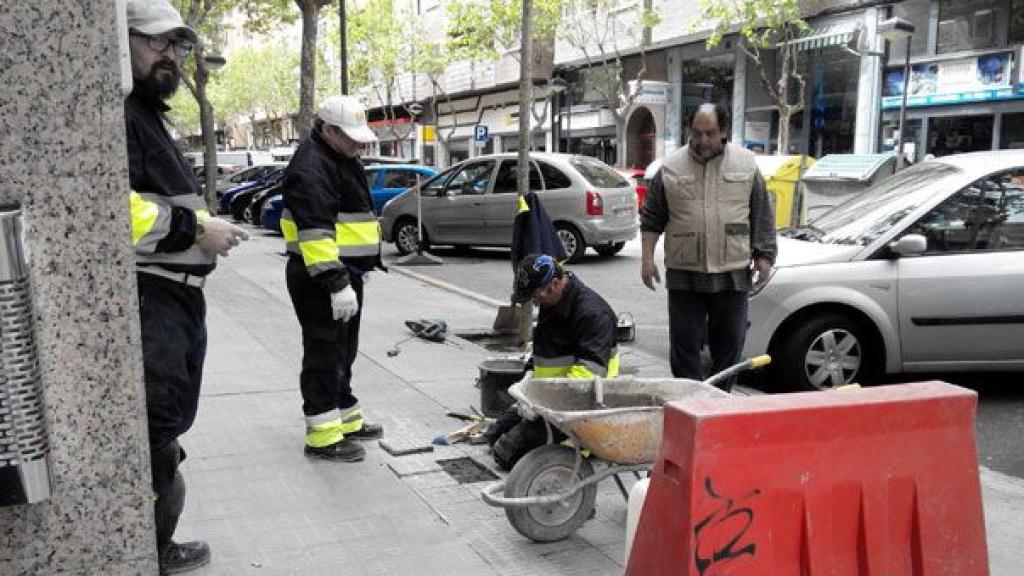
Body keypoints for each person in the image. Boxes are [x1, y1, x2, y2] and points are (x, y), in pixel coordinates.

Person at [124, 1, 250, 572]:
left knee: (168, 420)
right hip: (156, 297)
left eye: (178, 46)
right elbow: (117, 213)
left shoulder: (146, 113)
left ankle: (155, 542)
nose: (170, 56)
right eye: (157, 43)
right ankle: (149, 549)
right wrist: (202, 229)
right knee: (158, 420)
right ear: (118, 43)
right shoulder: (125, 114)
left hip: (173, 296)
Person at [640, 103, 775, 391]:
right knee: (684, 345)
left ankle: (719, 400)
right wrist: (647, 259)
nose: (703, 140)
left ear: (724, 131)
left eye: (710, 133)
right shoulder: (671, 166)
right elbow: (652, 217)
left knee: (729, 343)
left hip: (732, 270)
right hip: (684, 271)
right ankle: (689, 401)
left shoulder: (746, 164)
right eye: (697, 133)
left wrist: (764, 255)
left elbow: (761, 212)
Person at [280, 95, 385, 462]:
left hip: (341, 273)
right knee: (324, 353)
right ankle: (323, 438)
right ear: (327, 130)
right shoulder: (311, 166)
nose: (359, 144)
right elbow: (315, 232)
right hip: (320, 278)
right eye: (351, 137)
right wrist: (336, 283)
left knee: (343, 350)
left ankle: (345, 417)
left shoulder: (339, 156)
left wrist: (359, 267)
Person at [488, 254, 619, 471]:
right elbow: (544, 351)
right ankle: (540, 438)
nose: (535, 302)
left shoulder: (592, 314)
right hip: (550, 397)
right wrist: (529, 379)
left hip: (579, 405)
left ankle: (582, 447)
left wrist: (545, 402)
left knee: (505, 454)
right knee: (494, 434)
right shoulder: (553, 302)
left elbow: (589, 373)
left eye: (534, 296)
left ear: (555, 284)